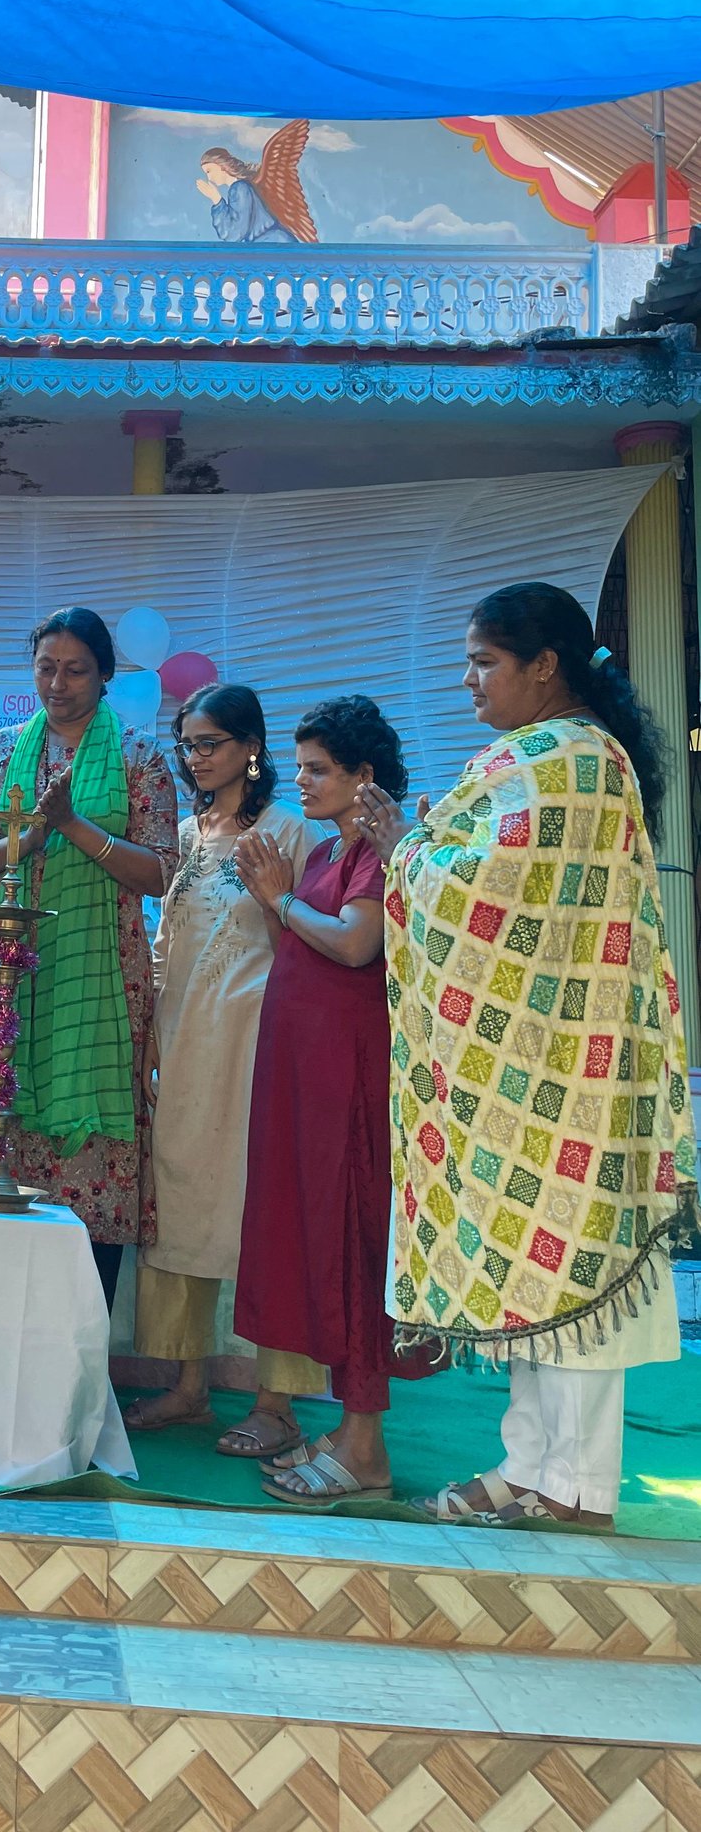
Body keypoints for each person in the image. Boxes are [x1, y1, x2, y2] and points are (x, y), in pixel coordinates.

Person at [362, 582, 695, 1529]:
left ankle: (578, 1488)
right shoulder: (557, 757)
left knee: (570, 1263)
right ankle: (529, 1467)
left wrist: (406, 849)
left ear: (544, 666)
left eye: (484, 663)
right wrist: (420, 850)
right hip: (535, 1058)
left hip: (572, 1066)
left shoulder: (571, 762)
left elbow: (481, 896)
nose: (469, 682)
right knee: (529, 1268)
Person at [0, 608, 178, 1305]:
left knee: (85, 1145)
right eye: (46, 668)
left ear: (106, 675)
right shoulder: (3, 749)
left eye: (75, 670)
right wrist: (23, 842)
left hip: (95, 980)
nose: (57, 684)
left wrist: (72, 826)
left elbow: (160, 873)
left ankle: (74, 1341)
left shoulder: (140, 757)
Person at [232, 694, 434, 1502]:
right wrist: (280, 899)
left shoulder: (378, 854)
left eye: (319, 770)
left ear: (364, 776)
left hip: (348, 1080)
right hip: (303, 1073)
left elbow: (355, 945)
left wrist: (279, 900)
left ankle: (366, 1449)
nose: (303, 782)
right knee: (316, 1238)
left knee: (353, 1242)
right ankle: (349, 1435)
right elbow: (299, 942)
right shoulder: (324, 852)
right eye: (301, 768)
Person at [126, 684, 322, 1431]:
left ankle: (278, 1401)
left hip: (254, 1044)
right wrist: (151, 1029)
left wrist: (275, 899)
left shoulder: (289, 832)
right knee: (183, 1201)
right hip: (183, 1042)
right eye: (187, 745)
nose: (196, 758)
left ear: (252, 747)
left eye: (210, 743)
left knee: (263, 1209)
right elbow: (166, 943)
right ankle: (188, 1385)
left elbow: (312, 946)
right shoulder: (182, 835)